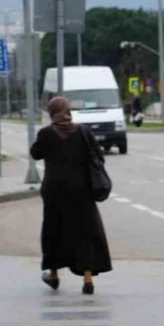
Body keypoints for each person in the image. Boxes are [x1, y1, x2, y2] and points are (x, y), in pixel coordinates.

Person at [31, 96, 113, 295]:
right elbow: (99, 156)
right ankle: (87, 278)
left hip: (54, 191)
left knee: (54, 231)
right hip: (81, 190)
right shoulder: (83, 132)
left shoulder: (46, 134)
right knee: (85, 232)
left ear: (51, 113)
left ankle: (54, 275)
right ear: (68, 111)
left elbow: (35, 153)